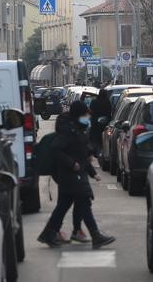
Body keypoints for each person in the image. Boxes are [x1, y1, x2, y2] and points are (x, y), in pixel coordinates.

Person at [37, 101, 116, 249]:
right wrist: (71, 163)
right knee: (84, 203)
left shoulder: (79, 130)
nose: (87, 117)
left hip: (75, 175)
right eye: (85, 114)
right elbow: (56, 149)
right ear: (79, 115)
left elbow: (83, 154)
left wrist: (92, 173)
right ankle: (95, 235)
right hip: (71, 175)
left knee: (63, 206)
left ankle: (48, 233)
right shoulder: (69, 131)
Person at [88, 88, 113, 156]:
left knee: (94, 138)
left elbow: (91, 111)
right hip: (105, 123)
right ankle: (102, 151)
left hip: (95, 123)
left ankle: (96, 151)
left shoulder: (94, 101)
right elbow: (109, 111)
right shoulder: (107, 102)